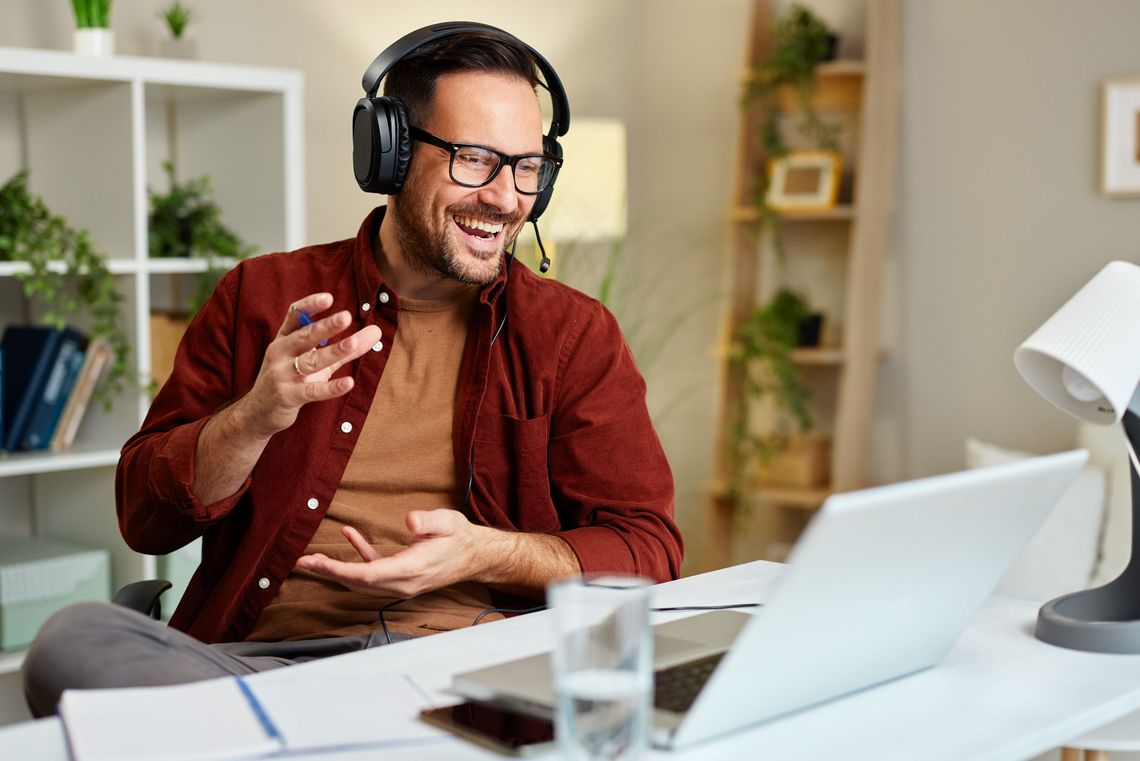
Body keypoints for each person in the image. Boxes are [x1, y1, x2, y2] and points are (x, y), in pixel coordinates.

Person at [22, 23, 682, 718]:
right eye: (475, 159)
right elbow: (144, 519)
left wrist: (488, 553)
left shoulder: (573, 335)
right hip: (264, 665)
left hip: (466, 663)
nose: (506, 197)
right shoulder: (264, 296)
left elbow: (649, 548)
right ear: (390, 153)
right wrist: (252, 419)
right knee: (71, 642)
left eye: (525, 167)